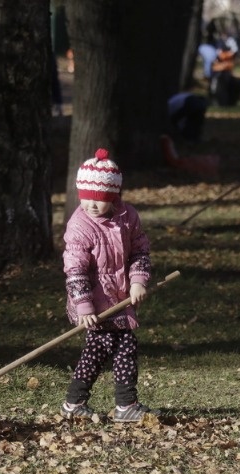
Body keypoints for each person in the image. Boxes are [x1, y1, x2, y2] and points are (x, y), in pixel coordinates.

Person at [61, 149, 154, 423]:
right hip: (93, 304)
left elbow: (140, 252)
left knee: (111, 348)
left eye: (98, 199)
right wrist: (84, 305)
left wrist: (138, 281)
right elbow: (75, 270)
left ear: (112, 196)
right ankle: (111, 405)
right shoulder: (79, 226)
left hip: (120, 299)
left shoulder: (128, 217)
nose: (91, 204)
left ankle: (84, 403)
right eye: (86, 197)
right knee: (111, 348)